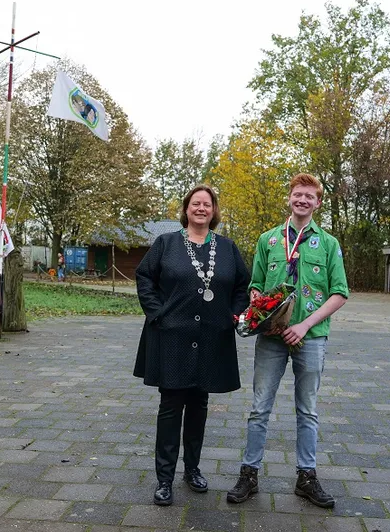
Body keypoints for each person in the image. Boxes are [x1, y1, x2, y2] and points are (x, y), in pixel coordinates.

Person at [227, 173, 349, 509]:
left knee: (307, 410)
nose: (303, 201)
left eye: (310, 196)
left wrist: (305, 324)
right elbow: (255, 285)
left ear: (318, 202)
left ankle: (306, 477)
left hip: (311, 338)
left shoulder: (328, 244)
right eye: (298, 194)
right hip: (271, 338)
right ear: (290, 198)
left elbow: (339, 293)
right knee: (259, 407)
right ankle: (249, 474)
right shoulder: (268, 240)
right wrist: (259, 310)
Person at [134, 185, 250, 506]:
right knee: (171, 407)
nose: (201, 208)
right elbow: (144, 276)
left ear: (213, 211)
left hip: (212, 339)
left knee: (199, 405)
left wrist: (234, 314)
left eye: (207, 204)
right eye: (195, 203)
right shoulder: (166, 243)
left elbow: (242, 284)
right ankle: (164, 479)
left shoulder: (227, 248)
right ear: (186, 209)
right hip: (172, 338)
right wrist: (157, 313)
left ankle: (193, 469)